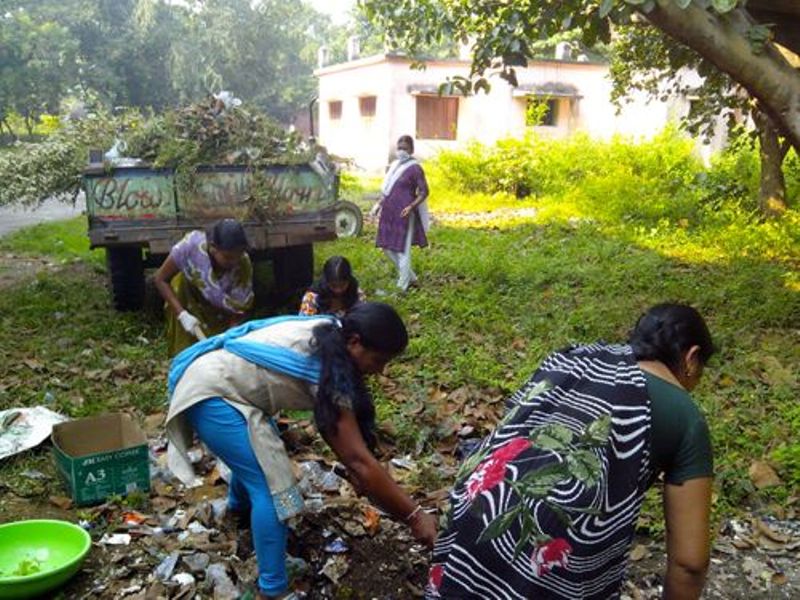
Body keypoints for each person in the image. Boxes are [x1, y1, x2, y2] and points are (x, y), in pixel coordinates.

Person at [426, 303, 715, 600]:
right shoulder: (685, 416)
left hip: (470, 516)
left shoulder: (572, 359)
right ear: (691, 359)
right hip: (546, 552)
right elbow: (690, 563)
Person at [165, 302, 438, 600]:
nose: (381, 371)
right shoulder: (327, 373)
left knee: (258, 456)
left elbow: (351, 446)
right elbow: (358, 460)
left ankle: (238, 515)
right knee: (276, 489)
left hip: (226, 385)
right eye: (378, 360)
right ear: (355, 343)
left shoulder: (332, 332)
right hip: (212, 394)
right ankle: (273, 590)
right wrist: (415, 516)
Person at [154, 218, 254, 356]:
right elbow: (160, 279)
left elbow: (239, 306)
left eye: (238, 256)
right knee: (189, 356)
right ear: (213, 248)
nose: (234, 261)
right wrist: (182, 315)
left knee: (220, 357)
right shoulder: (191, 246)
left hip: (219, 314)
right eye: (228, 257)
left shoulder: (243, 263)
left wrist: (231, 333)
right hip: (188, 301)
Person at [374, 135, 430, 292]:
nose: (401, 151)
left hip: (405, 214)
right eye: (399, 148)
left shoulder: (415, 168)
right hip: (389, 212)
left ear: (411, 150)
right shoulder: (394, 166)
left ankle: (402, 287)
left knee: (402, 249)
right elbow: (388, 189)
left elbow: (424, 191)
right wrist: (379, 204)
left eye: (405, 148)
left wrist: (411, 207)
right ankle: (411, 278)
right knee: (386, 246)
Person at [298, 255, 365, 318]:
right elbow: (304, 323)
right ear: (326, 282)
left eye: (342, 285)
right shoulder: (311, 298)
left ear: (349, 281)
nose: (338, 290)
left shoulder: (356, 294)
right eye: (333, 286)